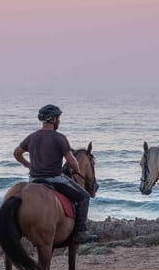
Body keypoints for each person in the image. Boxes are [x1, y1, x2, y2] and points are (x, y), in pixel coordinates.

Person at [14, 104, 97, 243]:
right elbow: (72, 161)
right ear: (53, 119)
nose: (59, 120)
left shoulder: (32, 137)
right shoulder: (59, 138)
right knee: (84, 196)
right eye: (59, 118)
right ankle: (80, 232)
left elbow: (17, 153)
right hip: (55, 179)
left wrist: (28, 164)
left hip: (34, 180)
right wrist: (76, 168)